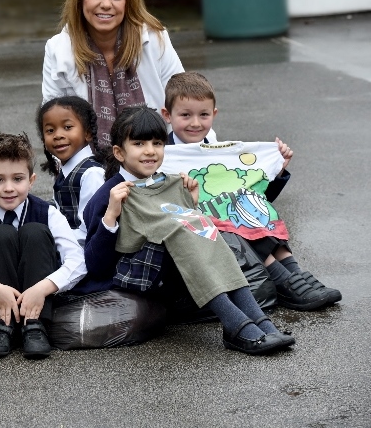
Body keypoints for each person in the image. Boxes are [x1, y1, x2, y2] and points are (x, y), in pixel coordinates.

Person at [83, 105, 294, 355]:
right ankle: (236, 325)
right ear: (119, 152)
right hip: (136, 279)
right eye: (139, 144)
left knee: (201, 223)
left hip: (173, 275)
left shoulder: (169, 182)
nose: (150, 151)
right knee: (182, 229)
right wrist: (111, 215)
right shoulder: (109, 195)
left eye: (157, 143)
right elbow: (95, 264)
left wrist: (190, 204)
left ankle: (257, 320)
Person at [160, 71, 341, 310]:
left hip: (225, 222)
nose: (195, 123)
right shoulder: (162, 154)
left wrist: (275, 170)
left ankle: (295, 272)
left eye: (203, 115)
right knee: (232, 216)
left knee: (250, 206)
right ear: (167, 115)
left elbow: (256, 195)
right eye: (185, 115)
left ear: (214, 114)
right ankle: (284, 281)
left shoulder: (220, 152)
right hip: (195, 229)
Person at [0, 132, 87, 360]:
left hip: (40, 303)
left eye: (17, 179)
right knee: (0, 234)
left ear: (31, 181)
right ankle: (3, 326)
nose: (8, 188)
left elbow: (77, 261)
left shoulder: (48, 213)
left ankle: (34, 325)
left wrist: (43, 288)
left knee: (35, 231)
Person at [41, 0, 187, 146]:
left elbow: (185, 107)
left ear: (128, 1)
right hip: (89, 166)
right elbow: (53, 125)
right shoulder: (57, 49)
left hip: (158, 159)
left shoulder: (154, 38)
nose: (106, 4)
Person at [36, 96, 107, 242]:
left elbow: (88, 229)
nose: (58, 135)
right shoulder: (65, 169)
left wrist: (49, 237)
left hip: (82, 254)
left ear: (87, 133)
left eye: (67, 127)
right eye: (50, 130)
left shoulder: (92, 174)